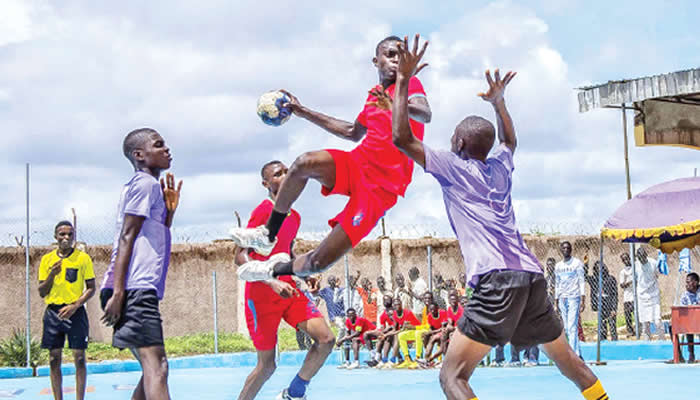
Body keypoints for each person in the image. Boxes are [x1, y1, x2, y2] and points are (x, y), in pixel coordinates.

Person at [389, 35, 608, 400]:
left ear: (458, 145)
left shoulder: (452, 166)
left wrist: (402, 81)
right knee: (568, 360)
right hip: (530, 274)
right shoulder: (500, 169)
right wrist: (499, 103)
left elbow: (400, 137)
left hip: (494, 278)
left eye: (453, 136)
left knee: (452, 377)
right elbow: (509, 142)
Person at [231, 35, 431, 282]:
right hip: (358, 163)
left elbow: (424, 114)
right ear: (375, 61)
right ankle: (268, 234)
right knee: (305, 162)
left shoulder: (411, 85)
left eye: (401, 56)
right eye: (390, 54)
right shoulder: (374, 95)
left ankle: (272, 268)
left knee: (318, 262)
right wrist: (303, 112)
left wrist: (397, 103)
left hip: (381, 189)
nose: (396, 60)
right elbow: (352, 132)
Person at [234, 160, 335, 400]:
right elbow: (239, 256)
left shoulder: (295, 216)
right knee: (267, 366)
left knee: (326, 339)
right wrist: (271, 281)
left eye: (288, 172)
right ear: (266, 183)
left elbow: (286, 253)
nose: (286, 176)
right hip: (261, 294)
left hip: (288, 290)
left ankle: (295, 392)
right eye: (278, 174)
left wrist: (305, 273)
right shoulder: (263, 210)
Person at [100, 128, 182, 400]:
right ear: (139, 155)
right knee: (158, 367)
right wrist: (119, 293)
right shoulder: (144, 184)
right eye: (159, 145)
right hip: (132, 288)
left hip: (136, 288)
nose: (166, 149)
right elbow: (127, 237)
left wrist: (169, 213)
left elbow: (153, 235)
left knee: (151, 370)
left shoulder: (148, 187)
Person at [38, 221, 96, 400]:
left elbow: (91, 287)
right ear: (55, 237)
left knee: (79, 359)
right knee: (54, 359)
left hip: (75, 312)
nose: (66, 238)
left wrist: (75, 305)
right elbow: (42, 291)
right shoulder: (47, 260)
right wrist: (51, 275)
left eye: (70, 235)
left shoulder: (82, 258)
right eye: (62, 234)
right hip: (53, 313)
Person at [555, 241, 586, 357]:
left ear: (571, 249)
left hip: (574, 297)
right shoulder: (558, 266)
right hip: (562, 298)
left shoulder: (577, 263)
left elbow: (581, 281)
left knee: (572, 326)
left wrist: (583, 299)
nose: (566, 250)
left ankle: (572, 355)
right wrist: (556, 301)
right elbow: (557, 283)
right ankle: (578, 354)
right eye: (563, 248)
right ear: (561, 250)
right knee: (567, 328)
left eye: (568, 248)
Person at [384, 296, 421, 368]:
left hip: (417, 331)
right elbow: (395, 329)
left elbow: (403, 329)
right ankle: (405, 359)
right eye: (395, 305)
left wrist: (386, 335)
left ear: (401, 305)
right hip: (407, 332)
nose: (397, 306)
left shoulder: (407, 313)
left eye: (398, 304)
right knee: (392, 337)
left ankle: (393, 360)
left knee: (399, 335)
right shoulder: (395, 314)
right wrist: (385, 335)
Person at [635, 248, 663, 340]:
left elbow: (657, 275)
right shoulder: (636, 266)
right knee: (645, 323)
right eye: (640, 258)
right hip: (642, 296)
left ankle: (662, 340)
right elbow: (635, 279)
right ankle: (647, 342)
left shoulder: (653, 263)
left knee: (657, 321)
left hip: (653, 295)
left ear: (646, 255)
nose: (642, 259)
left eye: (643, 257)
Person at [585, 262, 618, 341]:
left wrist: (614, 308)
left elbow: (614, 294)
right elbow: (584, 276)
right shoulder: (594, 279)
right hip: (600, 306)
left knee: (612, 327)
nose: (600, 270)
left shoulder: (610, 278)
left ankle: (614, 343)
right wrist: (586, 262)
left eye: (601, 268)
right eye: (597, 268)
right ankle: (603, 343)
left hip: (609, 306)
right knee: (602, 328)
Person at [363, 294, 396, 367]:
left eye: (387, 300)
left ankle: (377, 359)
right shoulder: (383, 314)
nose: (386, 301)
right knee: (366, 334)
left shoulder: (394, 311)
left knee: (382, 337)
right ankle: (373, 355)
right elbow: (382, 327)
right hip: (386, 331)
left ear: (391, 301)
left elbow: (397, 325)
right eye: (384, 300)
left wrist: (388, 329)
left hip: (395, 331)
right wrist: (383, 331)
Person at [677, 272, 699, 362]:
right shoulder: (685, 295)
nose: (686, 285)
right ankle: (687, 354)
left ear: (696, 282)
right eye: (686, 282)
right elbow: (682, 309)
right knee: (676, 327)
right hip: (690, 321)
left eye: (688, 282)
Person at [421, 302, 448, 367]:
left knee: (433, 338)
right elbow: (431, 328)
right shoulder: (430, 316)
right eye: (431, 310)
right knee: (427, 337)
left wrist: (433, 332)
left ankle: (429, 360)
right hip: (437, 332)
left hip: (445, 332)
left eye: (434, 309)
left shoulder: (442, 313)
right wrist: (429, 332)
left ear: (437, 308)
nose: (432, 311)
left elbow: (444, 327)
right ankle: (426, 358)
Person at [618, 253, 636, 337]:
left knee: (637, 313)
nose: (626, 261)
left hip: (636, 294)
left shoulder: (636, 268)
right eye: (624, 260)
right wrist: (630, 282)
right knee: (628, 313)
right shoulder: (623, 271)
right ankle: (630, 330)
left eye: (627, 258)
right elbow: (622, 285)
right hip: (628, 295)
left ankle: (639, 329)